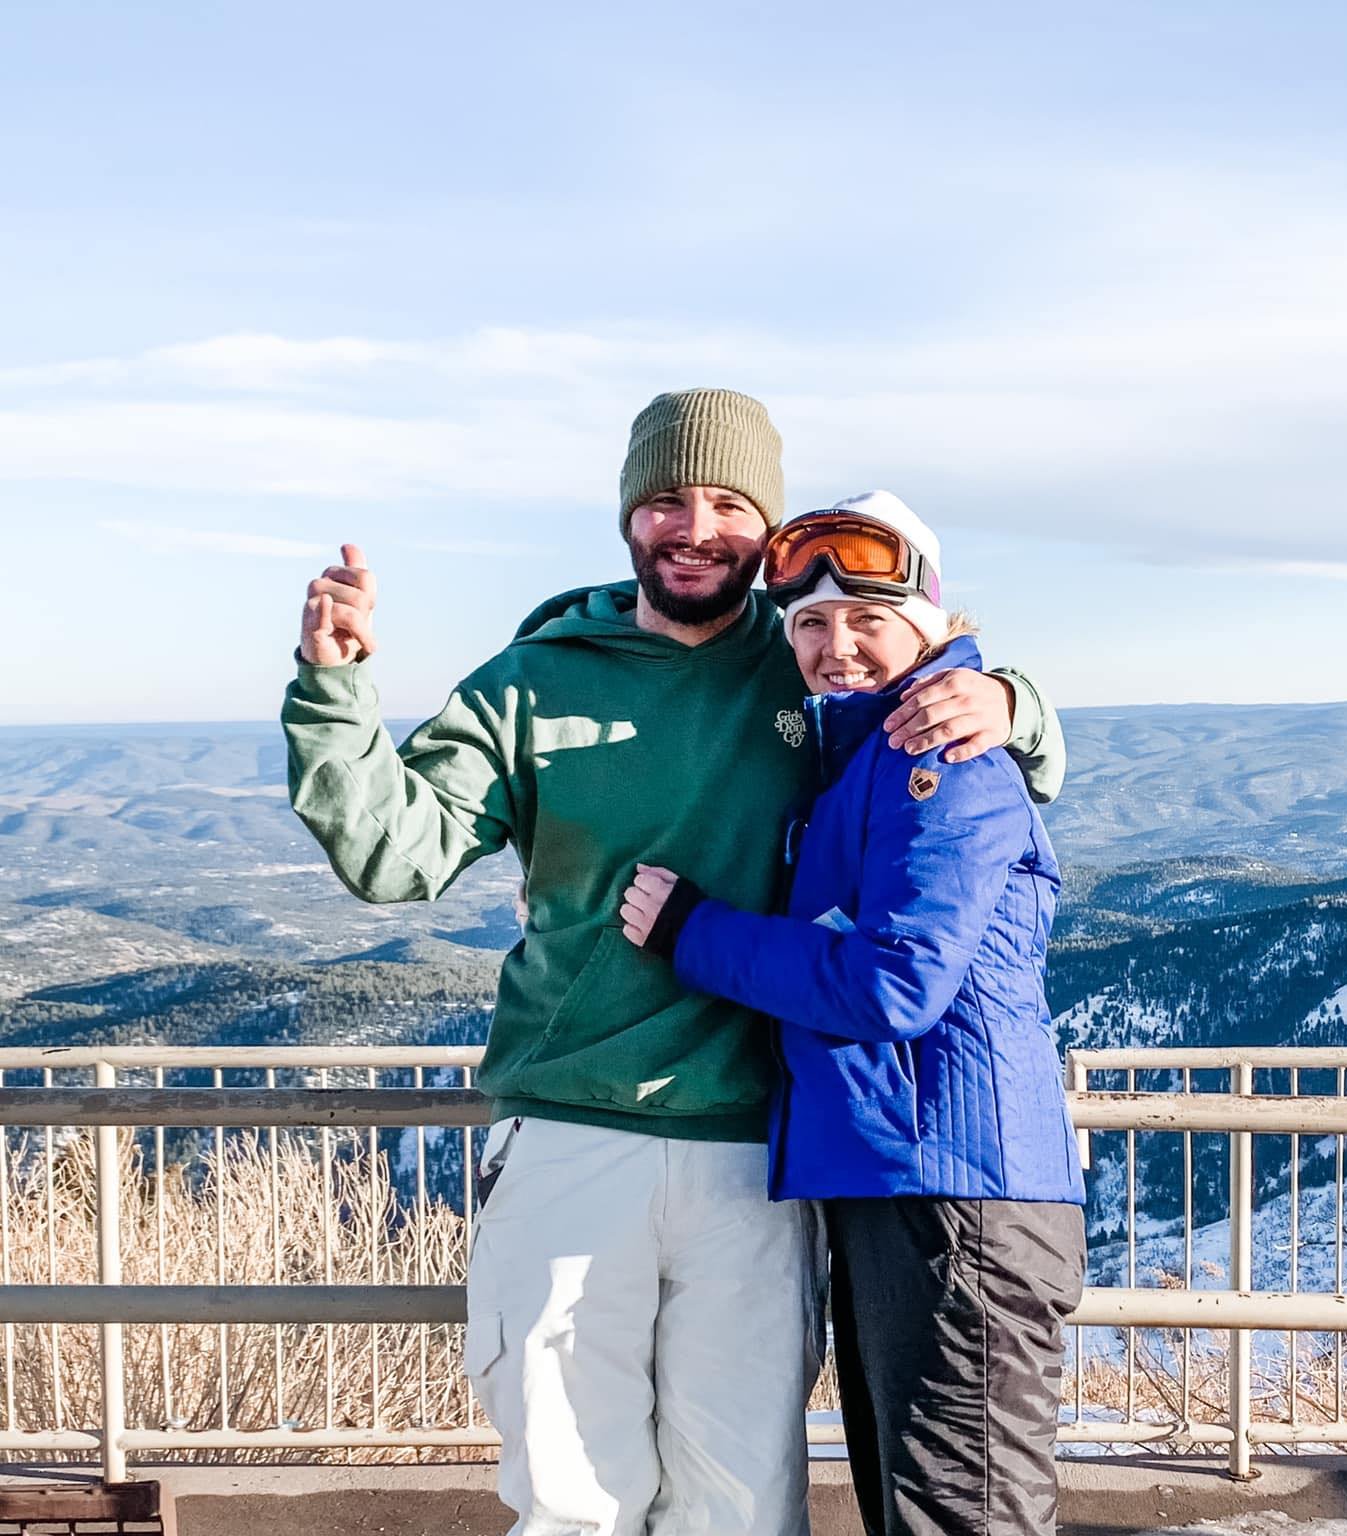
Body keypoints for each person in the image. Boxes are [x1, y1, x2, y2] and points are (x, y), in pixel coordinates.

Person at [280, 393, 1066, 1536]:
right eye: (665, 501)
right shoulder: (535, 678)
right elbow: (395, 860)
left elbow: (959, 757)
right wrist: (334, 693)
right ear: (625, 519)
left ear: (767, 527)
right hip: (570, 1127)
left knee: (740, 1507)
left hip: (751, 1149)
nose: (695, 526)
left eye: (730, 504)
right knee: (570, 1500)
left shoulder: (805, 655)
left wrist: (1010, 698)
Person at [619, 491, 1084, 1536]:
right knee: (917, 1509)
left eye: (868, 620)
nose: (838, 649)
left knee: (958, 1517)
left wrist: (694, 932)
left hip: (955, 1196)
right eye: (812, 625)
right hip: (905, 1186)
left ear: (930, 622)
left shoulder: (940, 759)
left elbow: (893, 985)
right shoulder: (859, 764)